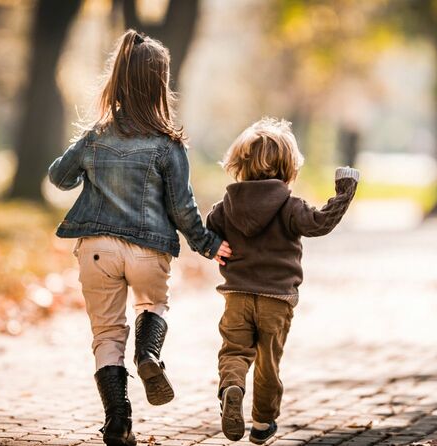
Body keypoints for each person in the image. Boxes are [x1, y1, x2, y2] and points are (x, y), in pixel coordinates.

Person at [48, 29, 231, 446]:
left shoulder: (95, 136)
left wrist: (86, 161)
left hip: (97, 251)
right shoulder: (169, 146)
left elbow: (59, 177)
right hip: (149, 250)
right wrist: (208, 243)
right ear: (159, 85)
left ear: (118, 79)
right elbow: (182, 206)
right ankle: (149, 356)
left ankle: (118, 420)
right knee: (153, 304)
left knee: (107, 335)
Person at [206, 117, 359, 444]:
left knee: (234, 351)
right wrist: (345, 192)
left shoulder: (225, 206)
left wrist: (212, 247)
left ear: (239, 163)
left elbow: (207, 231)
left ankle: (232, 386)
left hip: (236, 296)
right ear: (289, 166)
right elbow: (319, 223)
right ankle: (262, 423)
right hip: (276, 300)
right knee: (267, 363)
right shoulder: (290, 206)